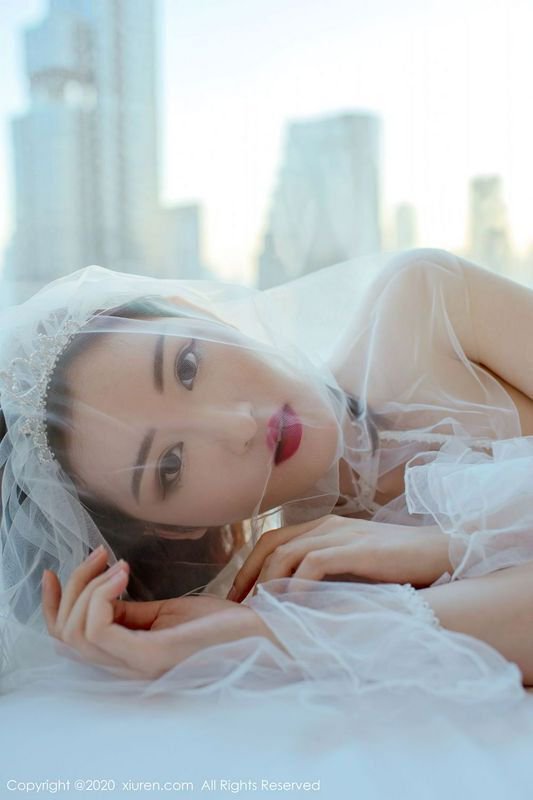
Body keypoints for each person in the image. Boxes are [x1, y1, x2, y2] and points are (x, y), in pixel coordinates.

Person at [2, 247, 533, 701]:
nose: (238, 426)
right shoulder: (309, 585)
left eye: (187, 367)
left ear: (200, 312)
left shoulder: (426, 305)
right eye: (170, 465)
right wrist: (259, 637)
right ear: (175, 528)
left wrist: (445, 545)